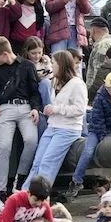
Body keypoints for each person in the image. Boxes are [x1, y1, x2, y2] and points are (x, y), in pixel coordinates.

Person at [0, 36, 42, 207]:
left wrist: (35, 108)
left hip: (25, 107)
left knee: (31, 140)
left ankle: (21, 177)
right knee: (4, 147)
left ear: (4, 54)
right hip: (5, 109)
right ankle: (1, 190)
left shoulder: (27, 66)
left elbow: (34, 91)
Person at [68, 70, 111, 199]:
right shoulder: (100, 98)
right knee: (88, 151)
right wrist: (104, 138)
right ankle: (76, 181)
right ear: (106, 88)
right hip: (97, 130)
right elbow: (97, 119)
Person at [28, 49, 85, 188]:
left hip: (68, 129)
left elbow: (80, 109)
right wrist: (51, 109)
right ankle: (26, 195)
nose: (51, 66)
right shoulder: (55, 82)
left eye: (53, 63)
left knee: (48, 162)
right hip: (52, 126)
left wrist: (57, 109)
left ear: (61, 64)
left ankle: (39, 196)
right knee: (37, 161)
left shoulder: (77, 84)